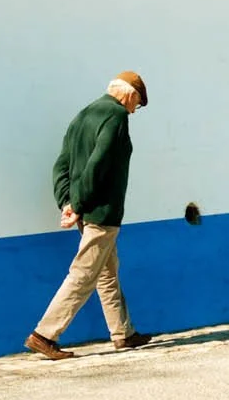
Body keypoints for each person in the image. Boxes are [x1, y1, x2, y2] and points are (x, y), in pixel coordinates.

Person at [24, 72, 154, 360]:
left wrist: (66, 202)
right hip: (101, 211)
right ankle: (44, 335)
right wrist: (79, 205)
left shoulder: (83, 114)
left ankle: (124, 333)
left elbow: (62, 164)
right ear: (130, 94)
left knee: (107, 273)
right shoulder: (116, 116)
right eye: (138, 104)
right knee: (83, 274)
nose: (135, 110)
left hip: (86, 209)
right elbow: (99, 164)